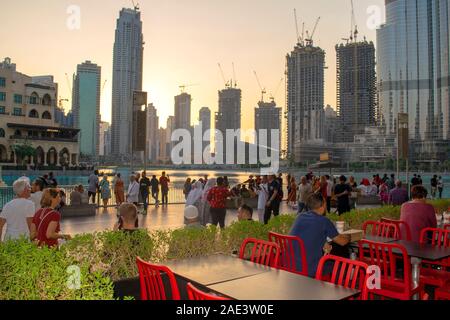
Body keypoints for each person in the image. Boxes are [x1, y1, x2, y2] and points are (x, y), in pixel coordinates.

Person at [289, 193, 351, 278]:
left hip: (290, 265)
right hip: (309, 269)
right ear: (322, 207)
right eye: (325, 203)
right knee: (340, 265)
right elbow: (342, 242)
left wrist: (323, 242)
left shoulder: (300, 217)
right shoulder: (324, 221)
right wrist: (349, 236)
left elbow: (307, 235)